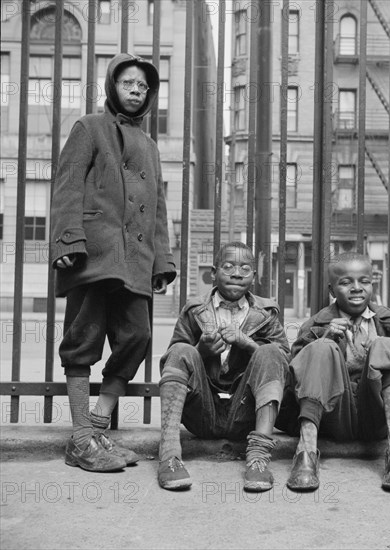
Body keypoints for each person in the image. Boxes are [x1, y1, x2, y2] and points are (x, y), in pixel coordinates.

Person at [51, 53, 176, 472]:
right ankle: (82, 439)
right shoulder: (89, 127)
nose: (136, 91)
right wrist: (68, 240)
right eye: (128, 84)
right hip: (94, 255)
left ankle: (97, 426)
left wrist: (162, 261)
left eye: (143, 87)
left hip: (135, 260)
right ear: (112, 86)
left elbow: (158, 207)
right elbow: (67, 186)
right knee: (83, 340)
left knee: (137, 335)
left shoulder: (151, 147)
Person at [276, 253, 390, 492]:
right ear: (332, 289)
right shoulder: (315, 324)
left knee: (384, 346)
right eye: (346, 283)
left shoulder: (389, 321)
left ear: (372, 284)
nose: (356, 288)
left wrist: (383, 350)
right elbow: (293, 379)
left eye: (364, 281)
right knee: (321, 348)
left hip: (378, 416)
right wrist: (324, 338)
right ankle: (306, 454)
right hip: (332, 417)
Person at [157, 242, 290, 492]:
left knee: (270, 351)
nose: (237, 273)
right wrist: (201, 351)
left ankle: (259, 458)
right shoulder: (194, 310)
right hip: (202, 411)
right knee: (181, 350)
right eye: (228, 267)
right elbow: (173, 361)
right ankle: (169, 456)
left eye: (245, 268)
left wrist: (248, 344)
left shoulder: (267, 312)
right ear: (214, 273)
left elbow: (285, 361)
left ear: (254, 276)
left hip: (245, 413)